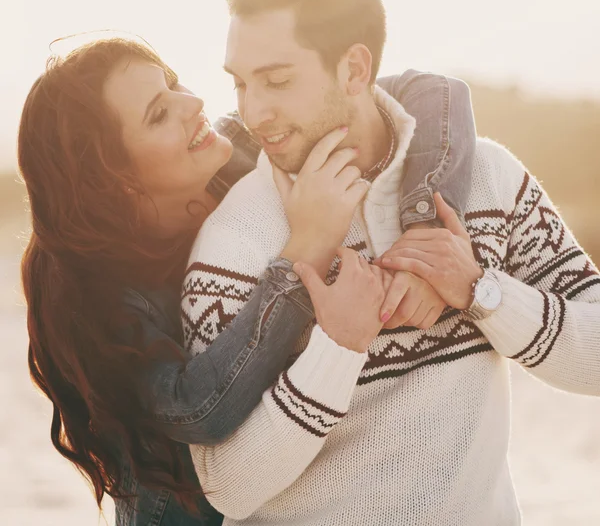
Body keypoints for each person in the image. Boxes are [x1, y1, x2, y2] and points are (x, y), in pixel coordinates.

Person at [182, 0, 600, 526]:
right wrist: (339, 346)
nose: (252, 113)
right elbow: (226, 484)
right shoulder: (236, 240)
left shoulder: (487, 181)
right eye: (240, 83)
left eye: (276, 81)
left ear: (354, 68)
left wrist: (481, 292)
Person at [17, 33, 476, 526]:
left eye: (172, 84)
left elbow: (434, 92)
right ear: (113, 177)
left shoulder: (236, 148)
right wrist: (305, 251)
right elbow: (196, 412)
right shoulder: (96, 301)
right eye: (157, 113)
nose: (191, 103)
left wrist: (424, 234)